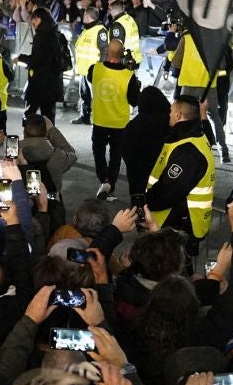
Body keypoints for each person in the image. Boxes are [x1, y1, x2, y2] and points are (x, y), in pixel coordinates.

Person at [142, 96, 217, 248]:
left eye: (171, 111)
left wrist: (145, 204)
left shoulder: (188, 151)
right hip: (181, 221)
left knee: (168, 261)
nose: (168, 114)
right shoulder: (195, 136)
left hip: (178, 225)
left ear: (178, 115)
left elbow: (169, 192)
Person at [87, 38, 138, 200]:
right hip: (120, 123)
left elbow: (90, 79)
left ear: (107, 52)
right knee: (116, 155)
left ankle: (104, 180)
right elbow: (134, 100)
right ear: (122, 54)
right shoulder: (128, 75)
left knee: (98, 152)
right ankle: (111, 185)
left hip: (100, 120)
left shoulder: (94, 69)